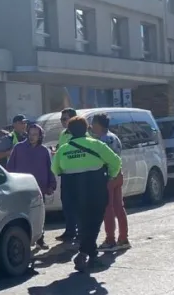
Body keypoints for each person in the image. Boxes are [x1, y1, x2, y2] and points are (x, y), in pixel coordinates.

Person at [51, 116, 122, 271]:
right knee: (94, 221)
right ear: (87, 129)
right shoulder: (96, 144)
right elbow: (116, 162)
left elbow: (55, 169)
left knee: (82, 222)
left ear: (69, 131)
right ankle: (86, 253)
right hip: (95, 186)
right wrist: (110, 176)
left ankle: (89, 254)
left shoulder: (63, 149)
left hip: (72, 189)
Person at [7, 123, 56, 249]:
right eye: (30, 134)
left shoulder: (44, 151)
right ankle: (23, 241)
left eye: (35, 134)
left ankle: (40, 238)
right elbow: (10, 167)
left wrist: (51, 184)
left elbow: (50, 168)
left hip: (39, 188)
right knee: (21, 215)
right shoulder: (19, 148)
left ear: (40, 136)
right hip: (21, 187)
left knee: (39, 215)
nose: (32, 137)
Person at [92, 113, 130, 251]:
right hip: (118, 174)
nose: (91, 126)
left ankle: (110, 240)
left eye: (93, 123)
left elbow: (103, 160)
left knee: (108, 209)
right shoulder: (114, 137)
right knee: (119, 207)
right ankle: (123, 238)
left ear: (98, 124)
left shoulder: (103, 140)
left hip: (107, 176)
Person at [57, 108, 79, 243]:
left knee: (80, 203)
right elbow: (61, 150)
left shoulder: (81, 133)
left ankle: (81, 231)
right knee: (67, 203)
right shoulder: (63, 134)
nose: (62, 122)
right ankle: (70, 230)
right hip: (66, 173)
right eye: (61, 119)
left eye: (64, 119)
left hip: (79, 173)